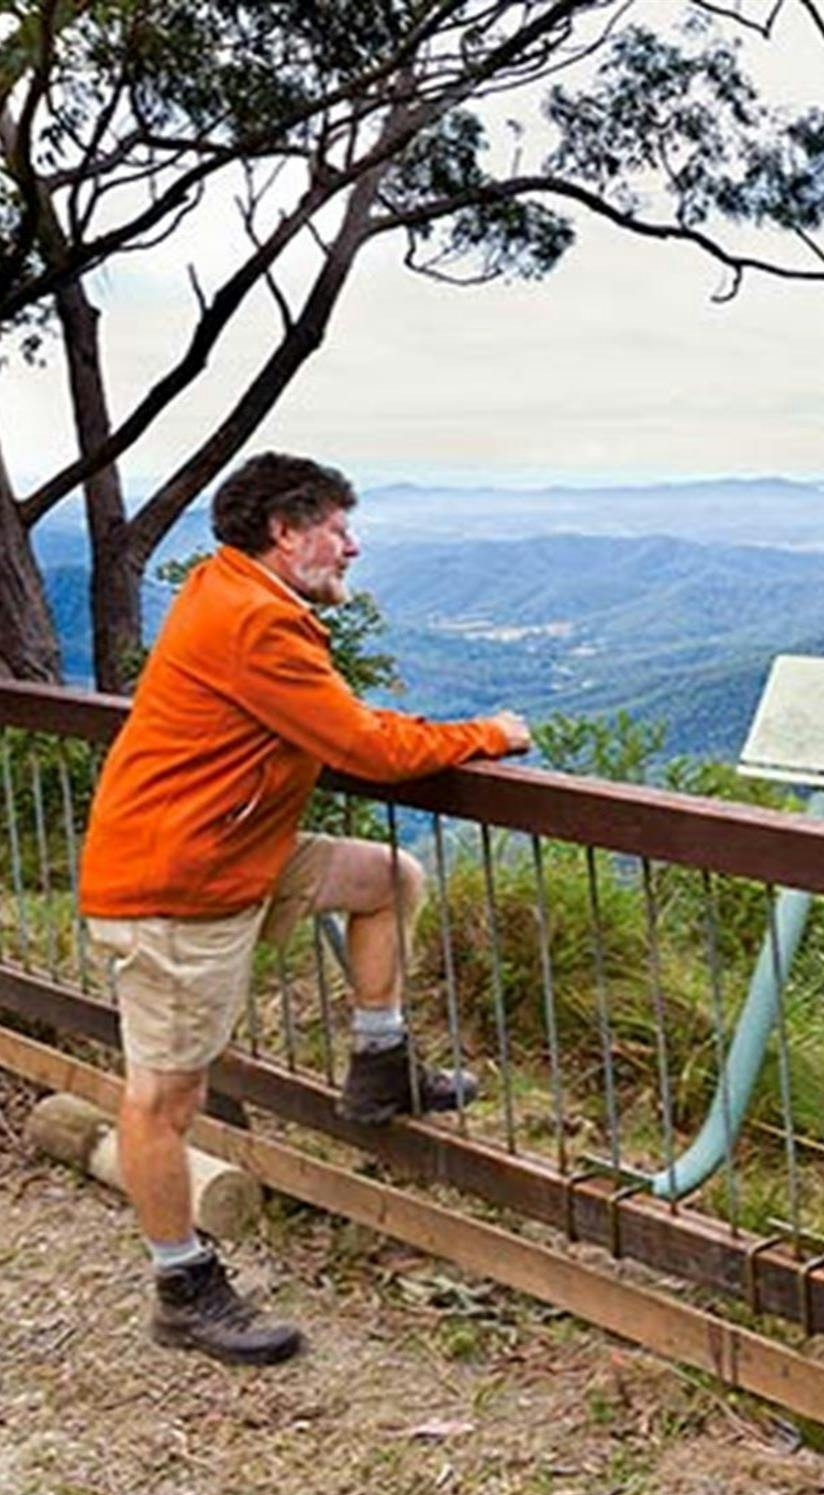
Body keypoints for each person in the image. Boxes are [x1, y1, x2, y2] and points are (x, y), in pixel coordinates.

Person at [78, 451, 532, 1366]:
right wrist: (490, 733)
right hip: (179, 884)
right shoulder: (254, 620)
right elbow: (364, 745)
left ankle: (381, 1062)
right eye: (336, 528)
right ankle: (183, 1286)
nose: (352, 548)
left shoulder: (231, 591)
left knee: (387, 878)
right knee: (165, 1096)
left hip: (227, 853)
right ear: (285, 533)